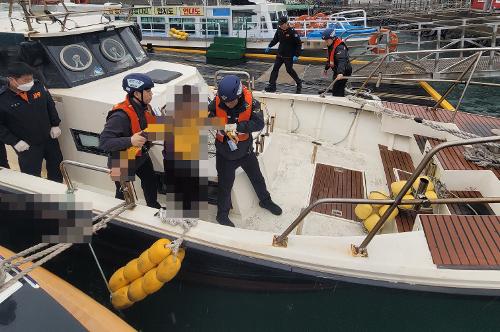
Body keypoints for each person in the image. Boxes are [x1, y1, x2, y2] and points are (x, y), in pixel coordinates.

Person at [209, 75, 282, 227]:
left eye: (231, 101)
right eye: (225, 101)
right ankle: (222, 215)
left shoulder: (252, 103)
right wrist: (217, 123)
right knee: (225, 184)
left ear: (239, 95)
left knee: (257, 177)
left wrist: (238, 127)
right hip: (224, 153)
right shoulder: (217, 101)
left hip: (245, 150)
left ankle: (265, 201)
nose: (227, 104)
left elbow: (259, 123)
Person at [99, 73, 161, 209]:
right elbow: (104, 142)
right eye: (148, 91)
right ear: (137, 94)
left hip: (141, 155)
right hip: (120, 159)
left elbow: (152, 126)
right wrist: (130, 140)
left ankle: (153, 206)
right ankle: (123, 214)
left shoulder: (146, 108)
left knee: (150, 181)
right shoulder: (120, 116)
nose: (151, 94)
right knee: (123, 193)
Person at [0, 62, 63, 181]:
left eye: (31, 79)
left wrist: (55, 124)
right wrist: (14, 141)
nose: (30, 82)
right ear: (12, 80)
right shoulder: (2, 99)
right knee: (31, 175)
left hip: (48, 137)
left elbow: (49, 105)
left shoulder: (38, 86)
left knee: (56, 164)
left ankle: (56, 190)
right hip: (27, 145)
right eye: (26, 80)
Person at [264, 16, 303, 94]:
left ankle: (299, 82)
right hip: (280, 54)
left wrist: (297, 55)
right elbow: (275, 39)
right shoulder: (279, 30)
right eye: (280, 24)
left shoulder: (292, 32)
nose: (280, 26)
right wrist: (269, 46)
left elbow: (299, 44)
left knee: (289, 70)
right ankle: (272, 85)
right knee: (275, 69)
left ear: (286, 23)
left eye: (282, 24)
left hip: (289, 55)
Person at [321, 28, 352, 97]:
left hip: (344, 70)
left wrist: (340, 73)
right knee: (336, 87)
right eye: (325, 40)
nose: (325, 42)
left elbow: (342, 60)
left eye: (327, 40)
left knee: (338, 88)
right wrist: (326, 68)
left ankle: (339, 99)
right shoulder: (331, 46)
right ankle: (338, 96)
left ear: (333, 38)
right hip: (337, 69)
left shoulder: (340, 47)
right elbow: (330, 59)